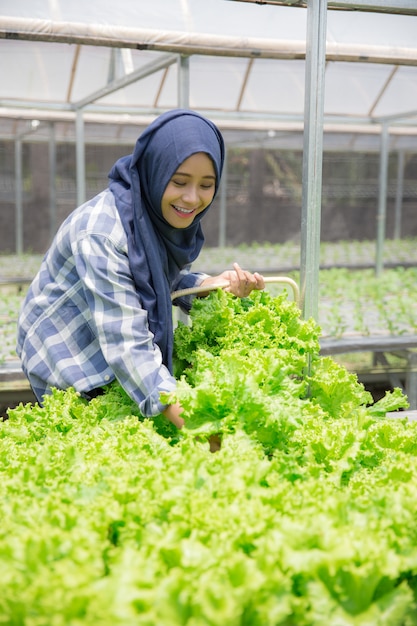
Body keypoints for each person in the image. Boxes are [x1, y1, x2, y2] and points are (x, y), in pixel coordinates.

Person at [16, 109, 265, 430]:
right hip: (67, 352)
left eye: (207, 184)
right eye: (179, 181)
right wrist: (198, 426)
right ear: (155, 171)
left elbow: (153, 281)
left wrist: (207, 285)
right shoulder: (102, 232)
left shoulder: (156, 218)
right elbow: (127, 346)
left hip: (108, 340)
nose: (192, 198)